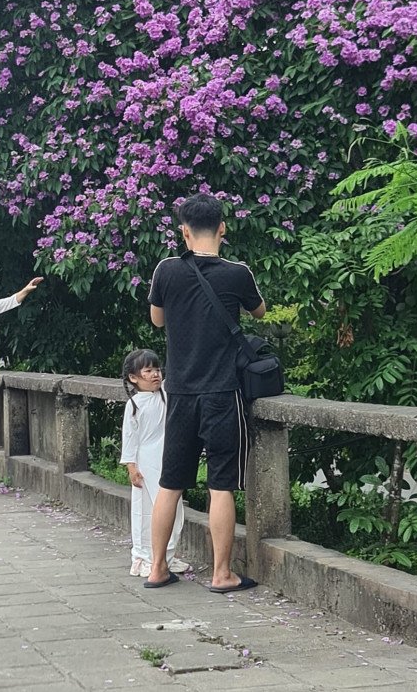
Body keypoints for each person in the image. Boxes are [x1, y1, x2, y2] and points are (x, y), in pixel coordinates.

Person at [144, 194, 266, 593]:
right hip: (221, 392)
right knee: (221, 484)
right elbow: (259, 312)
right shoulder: (237, 273)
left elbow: (157, 320)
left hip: (178, 391)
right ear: (223, 228)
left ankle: (157, 568)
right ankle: (221, 574)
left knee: (170, 483)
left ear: (183, 231)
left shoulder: (166, 270)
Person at [120, 348, 187, 578]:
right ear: (133, 378)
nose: (155, 374)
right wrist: (131, 466)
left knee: (174, 509)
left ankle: (166, 556)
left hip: (167, 457)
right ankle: (142, 558)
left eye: (157, 369)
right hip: (145, 462)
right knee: (145, 511)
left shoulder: (165, 394)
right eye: (148, 371)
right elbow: (129, 437)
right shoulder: (134, 405)